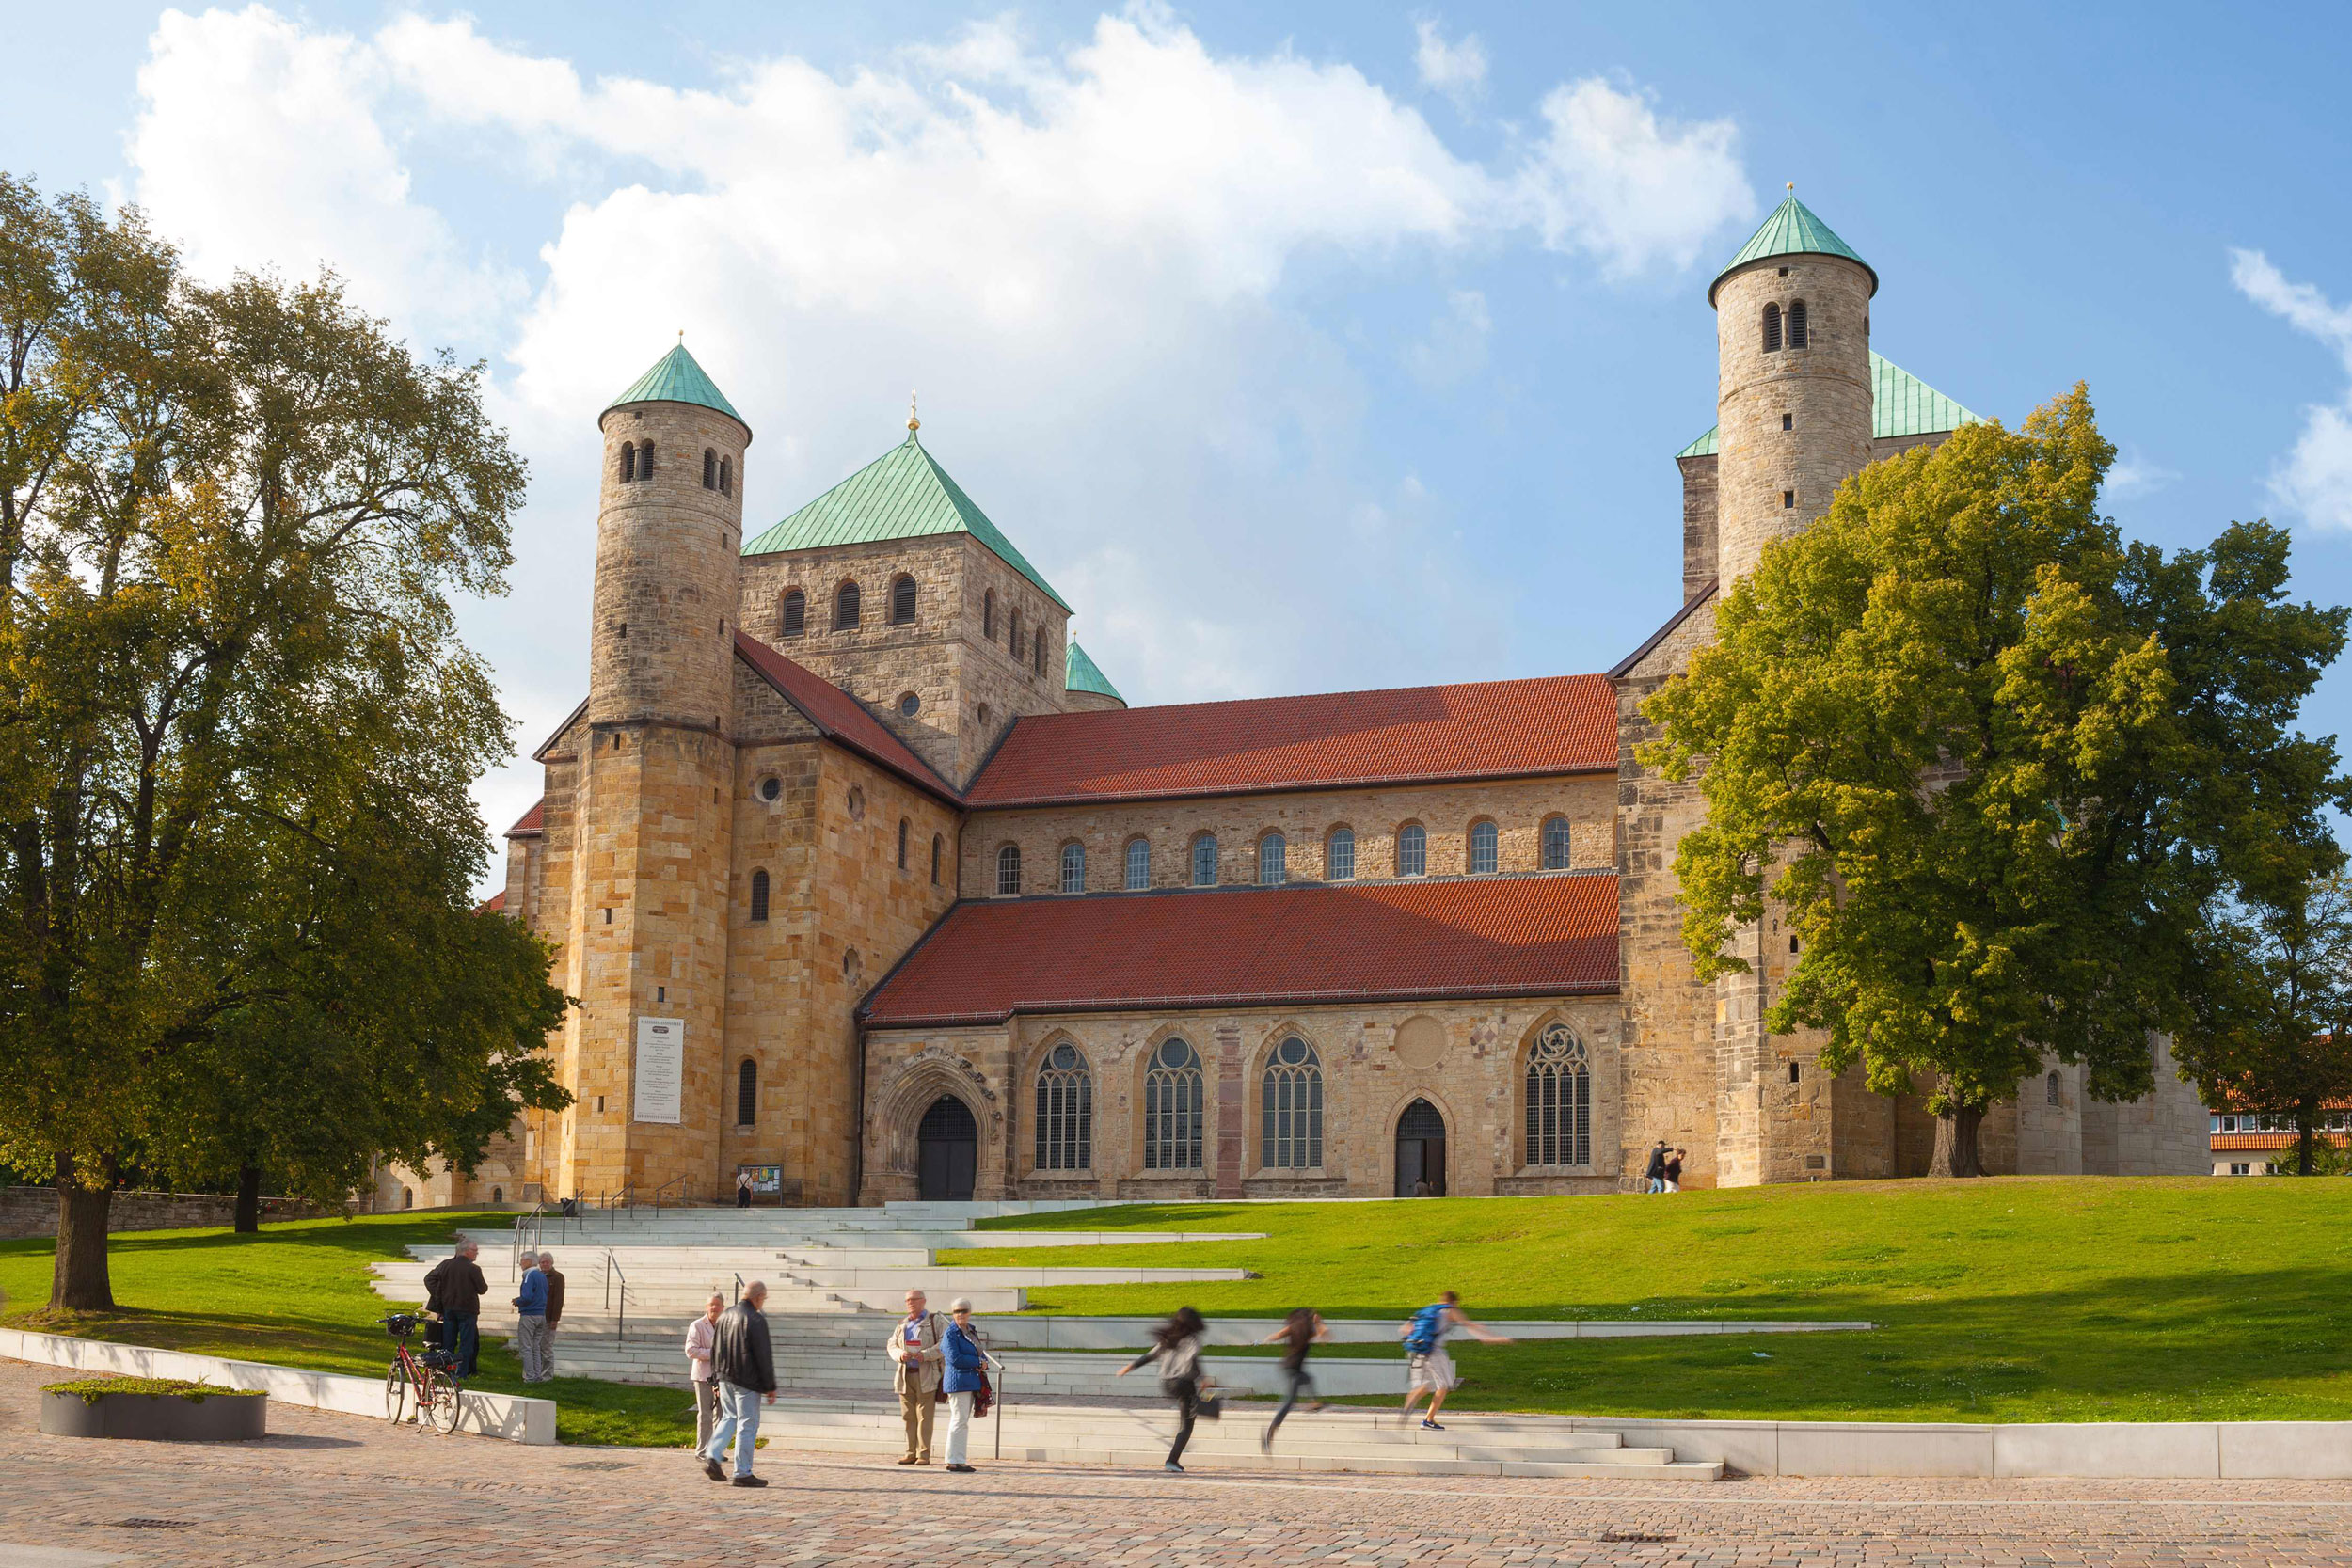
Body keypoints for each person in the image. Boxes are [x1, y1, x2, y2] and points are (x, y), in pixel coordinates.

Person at [1118, 1306, 1215, 1473]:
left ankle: (1174, 1454)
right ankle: (1172, 1460)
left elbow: (1149, 1356)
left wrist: (1129, 1367)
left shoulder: (1168, 1339)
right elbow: (1193, 1361)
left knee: (1186, 1413)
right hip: (1183, 1384)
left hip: (1167, 1384)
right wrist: (1203, 1379)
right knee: (1187, 1424)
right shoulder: (1192, 1340)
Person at [1398, 1290, 1511, 1431]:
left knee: (1428, 1385)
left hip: (1419, 1350)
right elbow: (1468, 1325)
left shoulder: (1427, 1311)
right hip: (1435, 1352)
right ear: (1454, 1302)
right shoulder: (1450, 1310)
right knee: (1444, 1385)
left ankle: (1412, 1398)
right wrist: (1492, 1337)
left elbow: (1405, 1330)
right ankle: (1429, 1419)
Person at [702, 1281, 776, 1487]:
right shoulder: (755, 1319)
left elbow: (715, 1347)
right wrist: (769, 1385)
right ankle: (742, 1472)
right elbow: (763, 1355)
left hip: (725, 1376)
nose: (763, 1302)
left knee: (729, 1418)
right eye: (763, 1298)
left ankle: (712, 1454)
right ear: (758, 1297)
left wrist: (715, 1376)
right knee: (747, 1423)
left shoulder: (725, 1316)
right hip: (747, 1379)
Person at [939, 1296, 999, 1474]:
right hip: (958, 1381)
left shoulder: (970, 1331)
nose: (960, 1314)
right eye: (957, 1311)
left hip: (970, 1380)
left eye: (964, 1311)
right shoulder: (951, 1333)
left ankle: (958, 1458)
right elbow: (954, 1358)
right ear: (952, 1313)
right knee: (958, 1420)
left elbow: (978, 1351)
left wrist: (982, 1361)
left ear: (970, 1313)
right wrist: (977, 1362)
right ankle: (953, 1460)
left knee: (962, 1420)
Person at [887, 1289, 946, 1465]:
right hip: (905, 1375)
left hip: (926, 1374)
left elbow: (945, 1343)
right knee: (908, 1416)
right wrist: (900, 1354)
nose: (910, 1303)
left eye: (913, 1299)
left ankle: (923, 1454)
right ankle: (910, 1452)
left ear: (923, 1301)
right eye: (907, 1300)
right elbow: (891, 1344)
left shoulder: (935, 1321)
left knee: (925, 1416)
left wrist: (926, 1354)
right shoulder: (902, 1324)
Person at [1260, 1307, 1327, 1452]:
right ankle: (1269, 1432)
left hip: (1289, 1368)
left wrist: (1268, 1338)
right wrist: (1319, 1322)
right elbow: (1324, 1335)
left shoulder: (1298, 1330)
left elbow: (1279, 1334)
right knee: (1289, 1402)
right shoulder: (1306, 1332)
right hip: (1292, 1370)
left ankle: (1315, 1403)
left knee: (1307, 1380)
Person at [421, 1239, 487, 1378]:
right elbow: (482, 1289)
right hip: (467, 1310)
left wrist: (439, 1295)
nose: (477, 1254)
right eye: (475, 1251)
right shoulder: (473, 1269)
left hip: (449, 1308)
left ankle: (446, 1370)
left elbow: (429, 1279)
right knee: (466, 1342)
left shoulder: (446, 1265)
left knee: (448, 1343)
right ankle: (462, 1372)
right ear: (467, 1251)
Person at [684, 1292, 723, 1458]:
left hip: (722, 1376)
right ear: (707, 1307)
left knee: (722, 1416)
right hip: (703, 1376)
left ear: (723, 1307)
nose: (714, 1308)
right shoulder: (697, 1325)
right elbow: (691, 1350)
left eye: (717, 1304)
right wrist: (714, 1353)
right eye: (711, 1305)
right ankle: (701, 1450)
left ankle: (715, 1450)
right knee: (705, 1414)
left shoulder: (726, 1325)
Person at [513, 1254, 550, 1383]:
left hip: (529, 1314)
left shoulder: (529, 1275)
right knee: (536, 1346)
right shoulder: (542, 1276)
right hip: (541, 1314)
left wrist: (518, 1301)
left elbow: (527, 1296)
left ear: (529, 1261)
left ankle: (529, 1376)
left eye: (522, 1261)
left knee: (526, 1347)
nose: (520, 1264)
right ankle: (537, 1374)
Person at [538, 1251, 566, 1376]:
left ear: (552, 1262)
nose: (544, 1265)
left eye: (547, 1262)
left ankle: (548, 1375)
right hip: (537, 1316)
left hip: (549, 1318)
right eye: (542, 1262)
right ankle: (537, 1373)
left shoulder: (558, 1277)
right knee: (537, 1347)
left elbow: (558, 1299)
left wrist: (555, 1318)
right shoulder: (537, 1275)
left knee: (546, 1347)